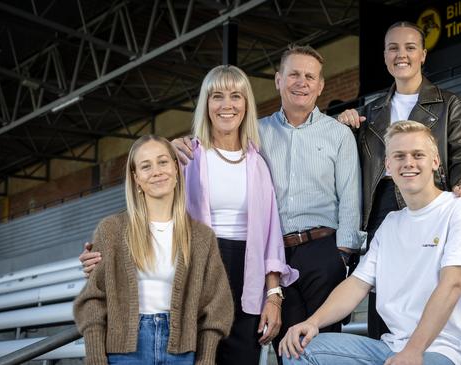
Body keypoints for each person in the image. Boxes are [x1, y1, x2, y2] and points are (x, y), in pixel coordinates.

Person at [79, 65, 299, 365]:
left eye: (236, 96)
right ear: (206, 104)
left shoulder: (258, 163)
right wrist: (103, 251)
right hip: (194, 271)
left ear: (246, 103)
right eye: (217, 96)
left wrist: (273, 296)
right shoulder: (186, 157)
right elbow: (150, 207)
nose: (227, 105)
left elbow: (271, 236)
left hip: (245, 276)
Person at [174, 45, 364, 358]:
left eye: (309, 76)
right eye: (293, 75)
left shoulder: (338, 133)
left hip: (322, 250)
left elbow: (350, 198)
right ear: (278, 80)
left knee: (324, 349)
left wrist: (341, 257)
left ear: (320, 85)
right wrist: (173, 147)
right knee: (284, 348)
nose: (301, 82)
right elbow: (212, 144)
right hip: (273, 255)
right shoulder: (254, 136)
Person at [278, 120, 461, 365]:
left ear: (435, 162)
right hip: (392, 348)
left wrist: (413, 351)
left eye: (418, 155)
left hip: (451, 353)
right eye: (399, 156)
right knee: (298, 348)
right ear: (388, 167)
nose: (409, 163)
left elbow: (453, 284)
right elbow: (356, 285)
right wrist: (311, 323)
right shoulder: (391, 223)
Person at [336, 21, 461, 339]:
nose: (401, 54)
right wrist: (343, 125)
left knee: (424, 287)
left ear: (423, 55)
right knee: (384, 294)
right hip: (381, 207)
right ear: (385, 56)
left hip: (427, 202)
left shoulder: (451, 105)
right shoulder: (370, 113)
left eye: (409, 47)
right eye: (393, 48)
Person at [73, 135, 234, 365]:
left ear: (176, 170)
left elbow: (217, 304)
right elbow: (93, 300)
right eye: (146, 166)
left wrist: (206, 358)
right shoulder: (111, 230)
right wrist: (96, 358)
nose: (156, 171)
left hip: (181, 352)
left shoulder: (201, 237)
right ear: (136, 178)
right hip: (126, 352)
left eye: (163, 162)